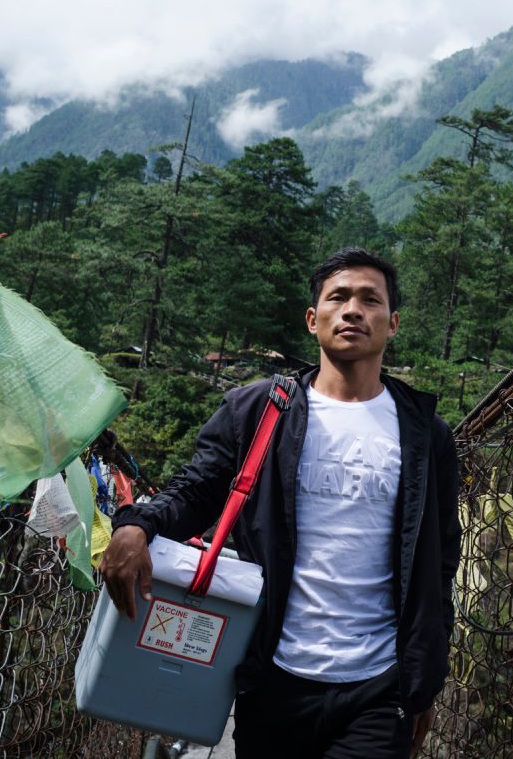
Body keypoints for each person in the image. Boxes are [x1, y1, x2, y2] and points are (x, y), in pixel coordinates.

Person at [102, 247, 461, 759]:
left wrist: (428, 675)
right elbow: (200, 487)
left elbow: (441, 558)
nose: (353, 310)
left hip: (380, 686)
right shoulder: (262, 410)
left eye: (370, 299)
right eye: (338, 297)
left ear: (393, 322)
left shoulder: (425, 434)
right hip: (274, 675)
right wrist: (136, 524)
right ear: (314, 320)